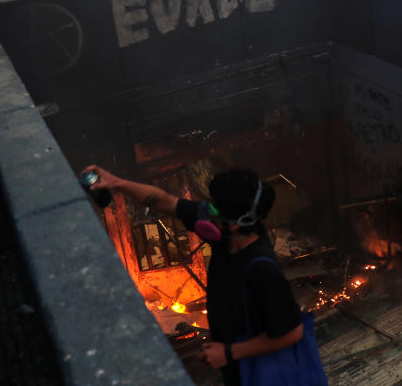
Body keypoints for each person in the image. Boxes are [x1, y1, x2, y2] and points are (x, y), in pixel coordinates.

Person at [82, 165, 325, 386]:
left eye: (213, 208)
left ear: (237, 222)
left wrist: (228, 352)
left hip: (266, 372)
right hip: (238, 367)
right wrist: (118, 184)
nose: (205, 213)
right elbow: (164, 201)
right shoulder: (225, 234)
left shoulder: (262, 270)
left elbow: (293, 332)